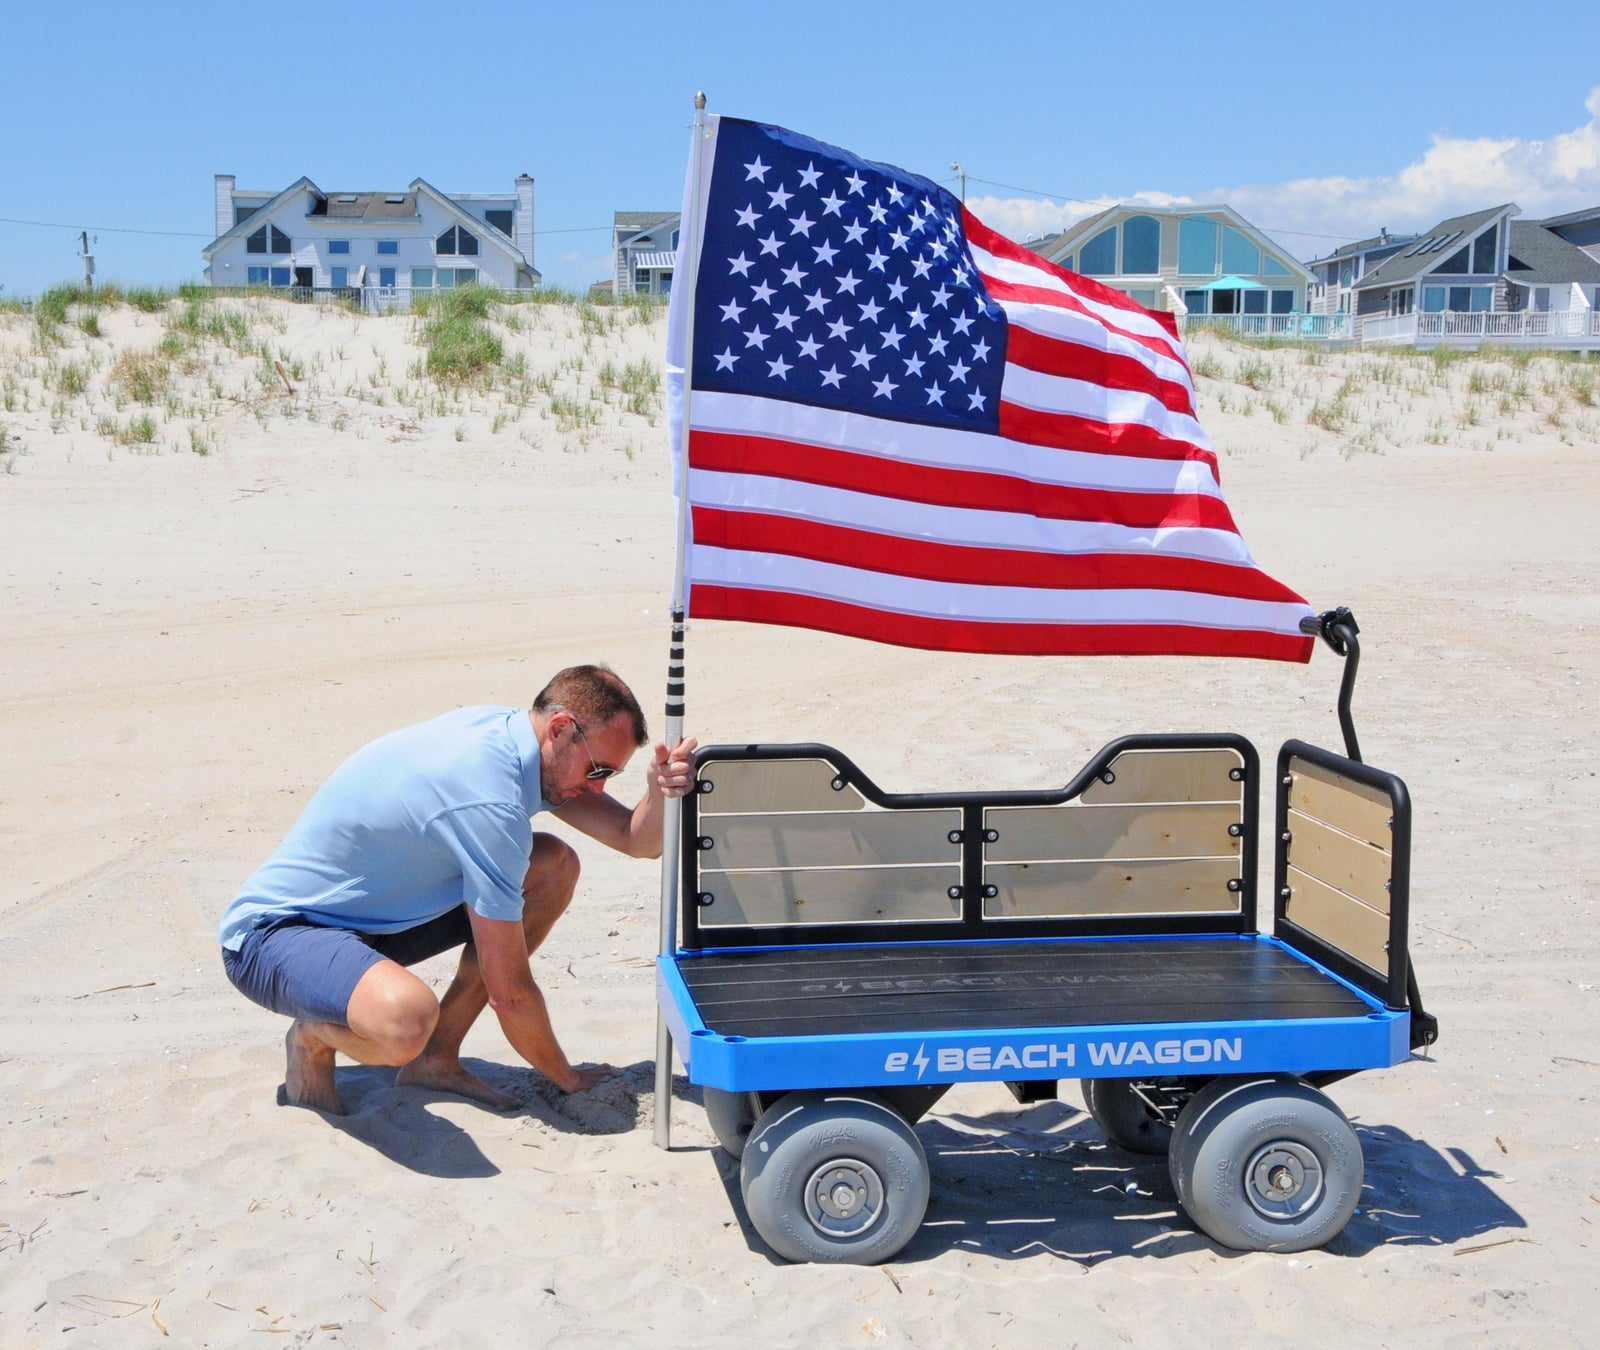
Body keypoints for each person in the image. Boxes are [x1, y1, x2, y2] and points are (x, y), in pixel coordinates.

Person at [218, 664, 696, 1116]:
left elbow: (636, 841)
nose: (598, 788)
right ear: (559, 729)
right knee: (407, 1022)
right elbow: (509, 993)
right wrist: (567, 1078)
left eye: (611, 776)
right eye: (598, 771)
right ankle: (313, 1035)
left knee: (551, 867)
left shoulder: (519, 744)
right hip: (274, 936)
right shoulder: (489, 793)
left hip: (378, 920)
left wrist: (657, 792)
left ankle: (436, 1059)